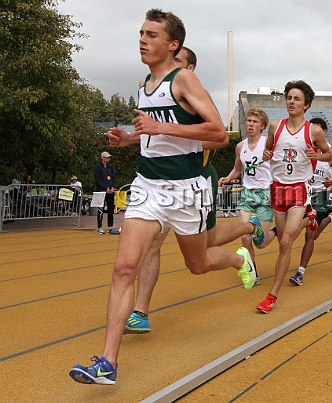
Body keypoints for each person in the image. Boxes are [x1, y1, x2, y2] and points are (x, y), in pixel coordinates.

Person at [69, 9, 257, 385]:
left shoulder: (184, 79)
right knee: (124, 267)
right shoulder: (143, 83)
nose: (143, 39)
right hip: (146, 186)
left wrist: (158, 126)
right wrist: (133, 139)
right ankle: (107, 362)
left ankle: (239, 261)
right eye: (141, 32)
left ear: (173, 45)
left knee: (198, 264)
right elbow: (157, 135)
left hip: (185, 191)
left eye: (152, 34)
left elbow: (220, 132)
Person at [123, 47, 265, 335]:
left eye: (176, 62)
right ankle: (140, 312)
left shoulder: (197, 97)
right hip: (161, 183)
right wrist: (130, 139)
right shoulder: (156, 92)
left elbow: (218, 139)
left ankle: (245, 243)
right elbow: (151, 138)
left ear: (189, 70)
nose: (169, 66)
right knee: (152, 244)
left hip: (196, 179)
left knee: (206, 246)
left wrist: (171, 137)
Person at [256, 80, 332, 314]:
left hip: (300, 188)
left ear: (306, 104)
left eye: (297, 98)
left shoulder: (313, 130)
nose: (291, 101)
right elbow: (267, 151)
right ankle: (311, 218)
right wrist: (267, 153)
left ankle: (272, 295)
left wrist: (318, 156)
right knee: (282, 244)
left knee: (287, 241)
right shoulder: (275, 126)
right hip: (278, 189)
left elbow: (331, 156)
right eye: (289, 97)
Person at [218, 106, 278, 283]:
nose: (250, 125)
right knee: (245, 237)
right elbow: (238, 169)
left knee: (261, 243)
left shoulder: (269, 145)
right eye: (248, 121)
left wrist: (275, 191)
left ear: (263, 126)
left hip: (265, 194)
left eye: (255, 122)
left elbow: (279, 169)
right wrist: (227, 178)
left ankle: (277, 231)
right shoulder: (240, 147)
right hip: (247, 194)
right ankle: (254, 273)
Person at [289, 117, 332, 286]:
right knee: (314, 234)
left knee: (309, 234)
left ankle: (300, 272)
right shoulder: (302, 147)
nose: (314, 132)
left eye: (317, 129)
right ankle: (330, 217)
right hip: (305, 193)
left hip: (322, 195)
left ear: (324, 132)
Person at [94, 151, 119, 235]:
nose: (108, 159)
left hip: (110, 191)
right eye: (107, 157)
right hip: (101, 190)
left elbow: (113, 178)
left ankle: (110, 226)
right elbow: (98, 179)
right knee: (100, 209)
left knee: (111, 209)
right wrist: (105, 187)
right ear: (102, 158)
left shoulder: (110, 167)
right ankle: (99, 227)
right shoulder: (98, 167)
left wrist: (113, 187)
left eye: (109, 157)